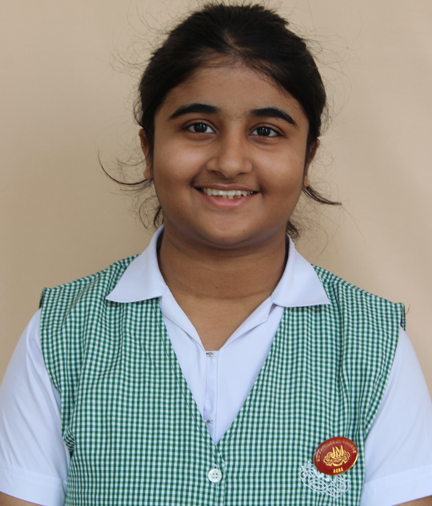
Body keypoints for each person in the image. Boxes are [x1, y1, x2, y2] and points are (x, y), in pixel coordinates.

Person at [0, 3, 431, 505]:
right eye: (198, 126)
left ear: (308, 157)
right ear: (148, 148)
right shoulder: (61, 336)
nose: (229, 162)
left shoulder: (373, 346)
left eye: (266, 131)